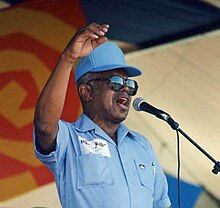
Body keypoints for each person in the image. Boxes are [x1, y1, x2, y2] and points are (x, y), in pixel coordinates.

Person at [33, 23, 171, 208]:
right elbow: (44, 126)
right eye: (115, 82)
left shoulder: (141, 145)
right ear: (86, 92)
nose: (125, 90)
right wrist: (69, 57)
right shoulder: (70, 139)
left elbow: (161, 203)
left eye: (129, 85)